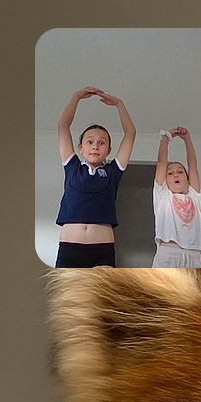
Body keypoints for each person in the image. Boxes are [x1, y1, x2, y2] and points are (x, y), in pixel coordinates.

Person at [55, 87, 136, 268]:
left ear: (108, 149)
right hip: (69, 250)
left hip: (102, 250)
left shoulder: (113, 172)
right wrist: (76, 97)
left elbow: (130, 133)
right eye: (89, 141)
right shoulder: (72, 167)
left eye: (102, 142)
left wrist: (119, 104)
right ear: (80, 147)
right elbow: (63, 126)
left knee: (103, 297)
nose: (95, 146)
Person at [152, 127, 201, 267]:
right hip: (168, 255)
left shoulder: (194, 197)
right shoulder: (162, 196)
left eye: (180, 172)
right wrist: (165, 139)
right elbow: (161, 163)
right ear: (166, 181)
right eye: (170, 173)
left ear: (187, 180)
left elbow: (193, 166)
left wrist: (187, 139)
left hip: (193, 258)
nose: (175, 174)